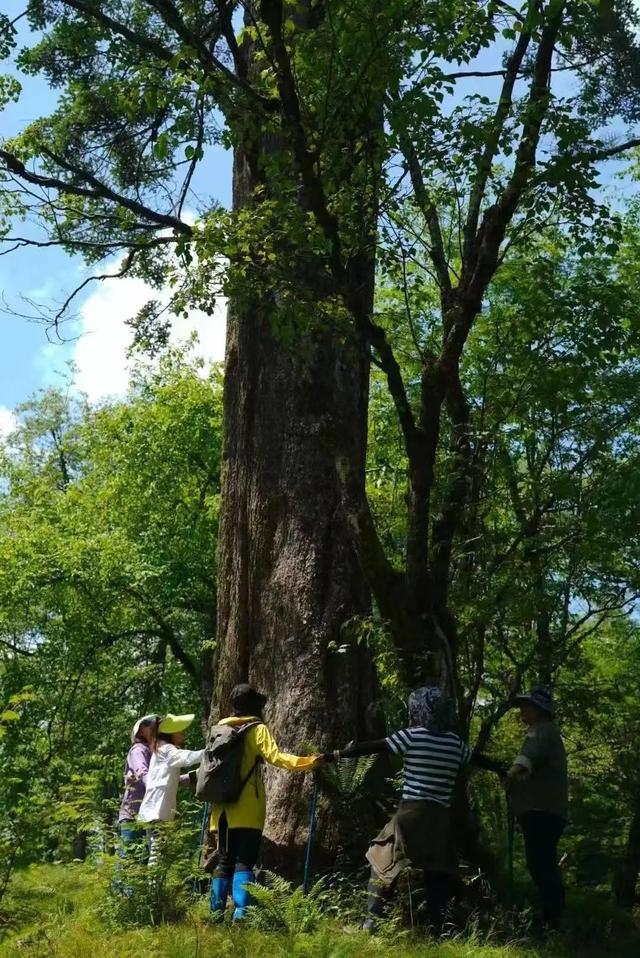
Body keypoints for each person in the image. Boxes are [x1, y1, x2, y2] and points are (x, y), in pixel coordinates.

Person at [328, 686, 505, 932]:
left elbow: (375, 746)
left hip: (412, 813)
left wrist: (337, 754)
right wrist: (504, 770)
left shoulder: (413, 736)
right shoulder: (456, 743)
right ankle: (441, 927)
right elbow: (479, 759)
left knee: (381, 858)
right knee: (438, 870)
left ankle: (371, 922)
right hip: (441, 818)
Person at [209, 683, 324, 921]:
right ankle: (241, 914)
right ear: (255, 706)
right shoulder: (257, 729)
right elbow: (276, 757)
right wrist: (309, 762)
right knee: (244, 860)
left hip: (221, 810)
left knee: (224, 861)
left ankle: (215, 914)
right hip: (249, 808)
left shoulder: (218, 729)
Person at [505, 686, 568, 930]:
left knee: (541, 865)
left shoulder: (541, 730)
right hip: (549, 811)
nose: (522, 711)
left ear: (539, 710)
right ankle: (552, 918)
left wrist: (512, 774)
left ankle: (553, 920)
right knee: (544, 863)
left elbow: (528, 758)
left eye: (526, 706)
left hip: (542, 811)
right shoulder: (549, 731)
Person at [138, 713, 205, 865]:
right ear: (171, 733)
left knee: (157, 853)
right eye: (180, 731)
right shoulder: (166, 749)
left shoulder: (161, 748)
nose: (183, 734)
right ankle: (154, 888)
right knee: (157, 855)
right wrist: (209, 752)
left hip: (155, 811)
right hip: (157, 813)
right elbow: (186, 758)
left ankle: (154, 886)